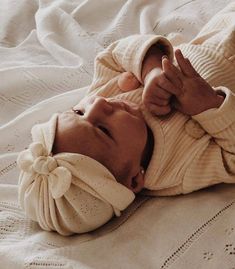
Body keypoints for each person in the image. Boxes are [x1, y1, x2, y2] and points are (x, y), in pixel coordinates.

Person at [17, 3, 235, 235]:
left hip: (221, 31)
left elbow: (113, 55)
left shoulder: (105, 94)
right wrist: (209, 105)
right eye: (103, 130)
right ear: (133, 179)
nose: (98, 104)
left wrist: (150, 70)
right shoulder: (180, 169)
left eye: (78, 112)